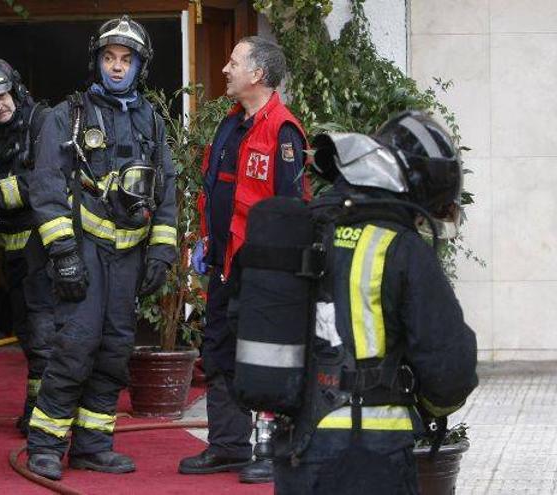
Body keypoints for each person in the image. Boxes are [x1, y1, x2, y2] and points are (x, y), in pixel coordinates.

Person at [269, 110, 479, 494]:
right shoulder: (402, 248)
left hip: (296, 446)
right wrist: (427, 405)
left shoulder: (304, 228)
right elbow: (451, 371)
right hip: (370, 454)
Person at [24, 15, 178, 480]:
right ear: (97, 61)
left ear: (139, 67)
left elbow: (166, 190)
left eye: (125, 60)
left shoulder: (152, 122)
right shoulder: (67, 116)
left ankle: (92, 444)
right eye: (109, 58)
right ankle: (45, 445)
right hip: (84, 250)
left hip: (129, 257)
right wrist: (64, 253)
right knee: (75, 347)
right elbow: (47, 187)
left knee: (114, 351)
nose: (116, 67)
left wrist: (162, 252)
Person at [179, 36, 309, 483]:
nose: (225, 70)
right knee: (217, 349)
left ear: (257, 74)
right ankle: (228, 446)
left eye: (233, 63)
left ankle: (270, 452)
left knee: (265, 359)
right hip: (224, 264)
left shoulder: (284, 130)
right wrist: (205, 243)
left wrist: (283, 279)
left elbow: (292, 210)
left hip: (264, 273)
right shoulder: (230, 125)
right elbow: (214, 188)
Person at [0, 57, 54, 435]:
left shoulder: (42, 124)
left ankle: (47, 414)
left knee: (42, 334)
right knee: (26, 330)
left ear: (15, 90)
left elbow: (41, 183)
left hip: (42, 249)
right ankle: (36, 410)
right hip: (11, 254)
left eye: (2, 96)